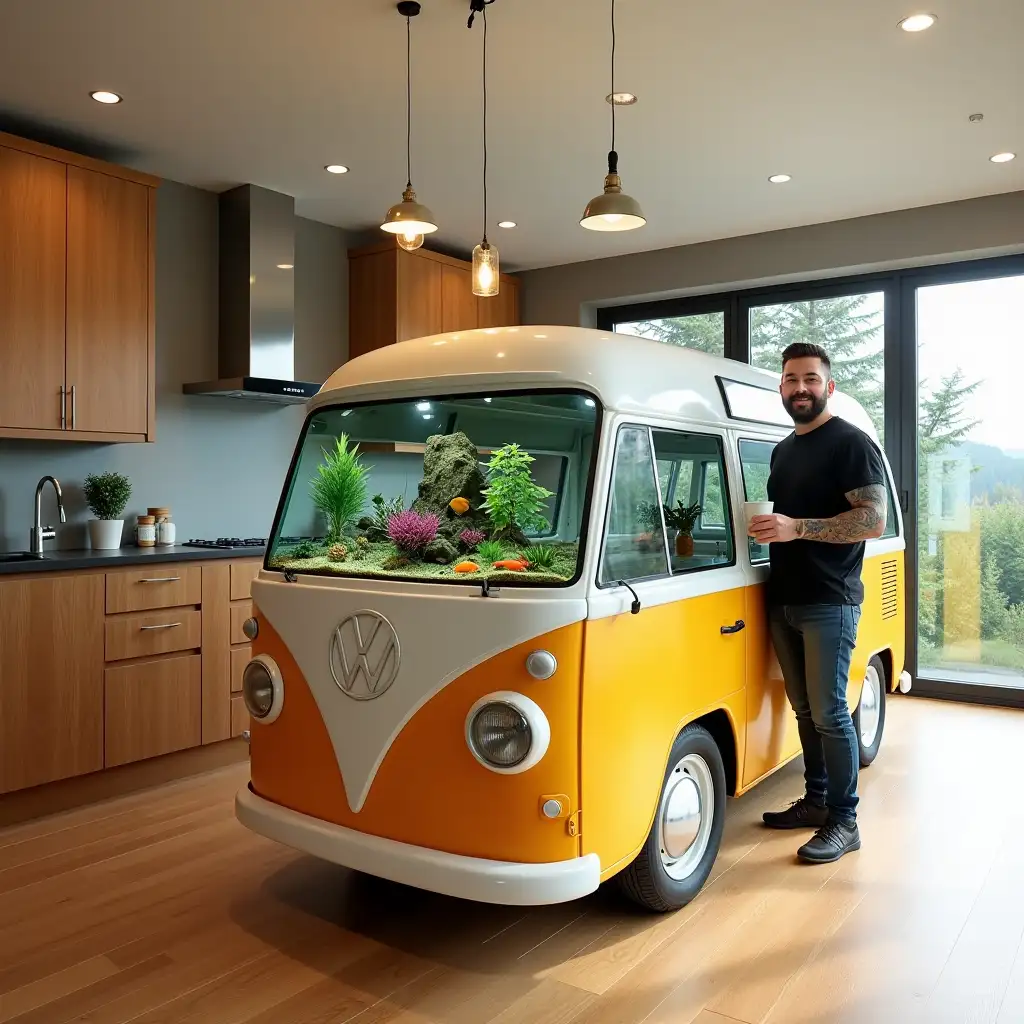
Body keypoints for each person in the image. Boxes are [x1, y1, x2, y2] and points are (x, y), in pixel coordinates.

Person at [748, 342, 887, 864]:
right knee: (804, 708)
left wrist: (795, 527)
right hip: (784, 597)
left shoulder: (850, 443)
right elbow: (784, 525)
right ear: (780, 388)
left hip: (830, 600)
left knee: (830, 712)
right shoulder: (784, 450)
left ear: (828, 387)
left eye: (810, 379)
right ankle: (815, 801)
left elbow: (874, 521)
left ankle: (844, 822)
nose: (799, 388)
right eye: (790, 379)